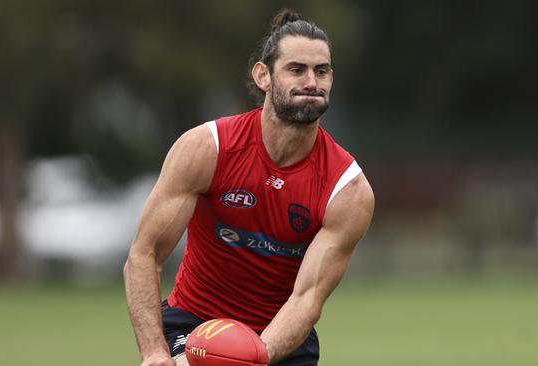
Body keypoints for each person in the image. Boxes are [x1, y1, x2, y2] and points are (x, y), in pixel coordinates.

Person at [123, 8, 374, 366]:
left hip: (281, 339)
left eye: (322, 71)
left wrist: (247, 357)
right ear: (263, 75)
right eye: (296, 69)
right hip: (193, 326)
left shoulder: (348, 190)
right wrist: (154, 353)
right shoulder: (207, 148)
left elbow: (306, 300)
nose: (311, 82)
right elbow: (144, 255)